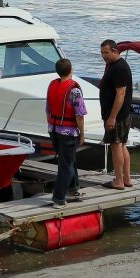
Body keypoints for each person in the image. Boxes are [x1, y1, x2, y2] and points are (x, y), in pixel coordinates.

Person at [46, 58, 87, 209]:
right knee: (66, 165)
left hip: (54, 129)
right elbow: (79, 115)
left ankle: (73, 188)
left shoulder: (52, 85)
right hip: (68, 132)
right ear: (71, 70)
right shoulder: (74, 90)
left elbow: (48, 109)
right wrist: (82, 134)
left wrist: (51, 127)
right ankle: (58, 198)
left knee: (68, 160)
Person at [99, 39, 133, 190]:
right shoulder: (114, 65)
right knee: (122, 145)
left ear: (115, 51)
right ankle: (127, 179)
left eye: (106, 52)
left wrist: (112, 117)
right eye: (101, 53)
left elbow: (121, 93)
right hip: (123, 113)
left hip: (117, 115)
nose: (103, 56)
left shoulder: (119, 68)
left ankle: (119, 181)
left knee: (116, 145)